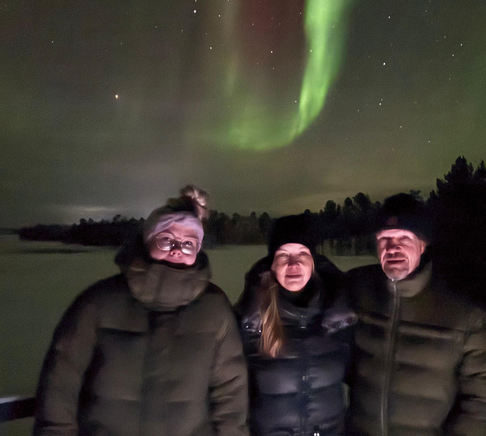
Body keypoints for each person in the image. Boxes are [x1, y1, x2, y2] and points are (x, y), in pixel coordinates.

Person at [33, 186, 248, 436]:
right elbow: (61, 383)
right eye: (166, 239)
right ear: (147, 240)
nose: (177, 249)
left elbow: (230, 396)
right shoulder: (98, 303)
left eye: (189, 243)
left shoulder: (215, 309)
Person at [346, 193, 486, 436]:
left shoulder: (463, 314)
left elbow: (482, 402)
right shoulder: (360, 292)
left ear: (423, 245)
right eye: (384, 238)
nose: (392, 247)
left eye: (404, 238)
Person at [235, 214, 356, 436]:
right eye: (283, 255)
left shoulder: (339, 315)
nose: (293, 264)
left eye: (302, 253)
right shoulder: (251, 320)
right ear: (272, 264)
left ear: (313, 261)